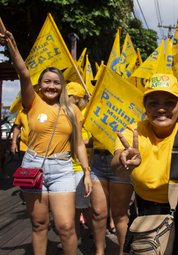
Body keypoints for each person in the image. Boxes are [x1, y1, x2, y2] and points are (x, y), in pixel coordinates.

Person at [0, 31, 92, 255]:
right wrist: (11, 44)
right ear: (39, 85)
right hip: (33, 167)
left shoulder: (72, 111)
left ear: (62, 86)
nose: (51, 86)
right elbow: (23, 72)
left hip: (62, 169)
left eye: (56, 83)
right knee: (39, 224)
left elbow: (79, 143)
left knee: (67, 226)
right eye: (47, 82)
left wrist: (87, 172)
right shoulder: (32, 102)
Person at [112, 73, 178, 254]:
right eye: (154, 102)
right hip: (148, 211)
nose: (161, 109)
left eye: (169, 102)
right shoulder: (133, 133)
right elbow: (118, 169)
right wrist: (125, 162)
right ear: (144, 107)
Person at [57, 82, 93, 249]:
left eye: (68, 96)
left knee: (83, 207)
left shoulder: (86, 114)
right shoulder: (61, 112)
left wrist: (83, 144)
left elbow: (91, 139)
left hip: (79, 167)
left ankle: (97, 233)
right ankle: (75, 238)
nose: (63, 99)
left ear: (77, 98)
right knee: (70, 209)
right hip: (64, 166)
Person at [90, 136, 133, 255]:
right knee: (98, 213)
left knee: (119, 213)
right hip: (97, 160)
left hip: (122, 159)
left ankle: (123, 252)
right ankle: (99, 251)